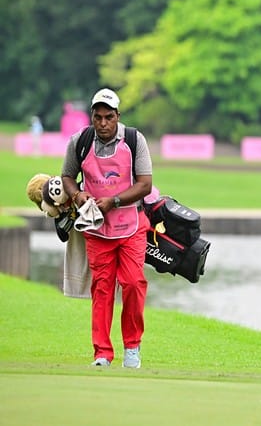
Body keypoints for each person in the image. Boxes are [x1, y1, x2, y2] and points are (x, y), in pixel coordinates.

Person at [61, 88, 153, 368]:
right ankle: (102, 352)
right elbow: (67, 175)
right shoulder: (80, 141)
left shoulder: (134, 140)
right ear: (92, 116)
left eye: (108, 117)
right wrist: (77, 195)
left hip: (131, 226)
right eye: (98, 117)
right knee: (101, 288)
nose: (103, 123)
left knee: (134, 284)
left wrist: (113, 201)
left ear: (117, 116)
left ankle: (132, 348)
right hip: (96, 229)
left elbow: (145, 184)